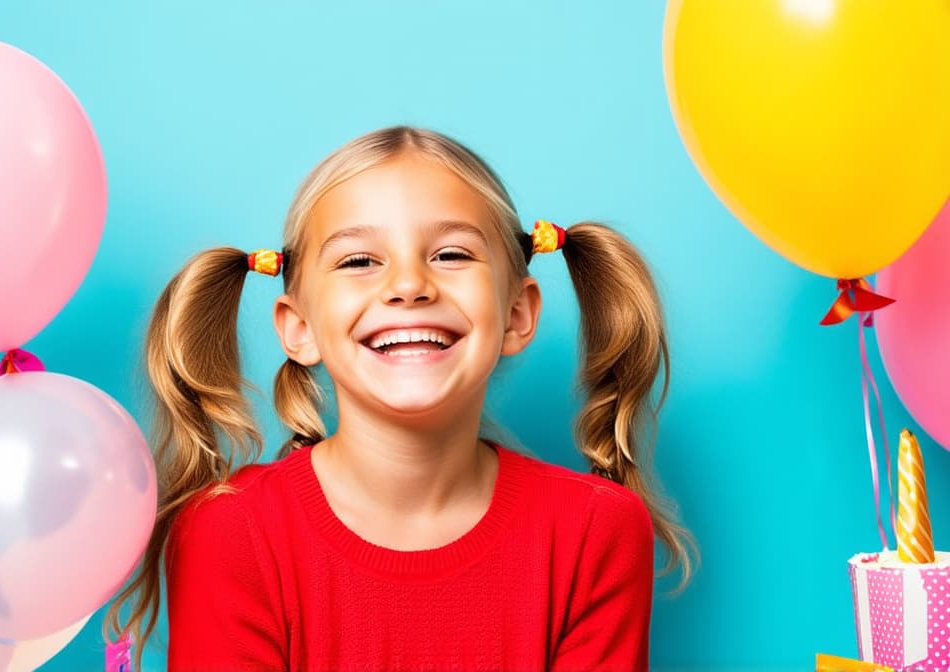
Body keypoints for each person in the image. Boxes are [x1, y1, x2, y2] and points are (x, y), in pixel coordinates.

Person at [104, 126, 695, 671]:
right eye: (360, 261)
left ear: (517, 313)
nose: (410, 285)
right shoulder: (230, 531)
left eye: (451, 254)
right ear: (298, 327)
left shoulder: (597, 530)